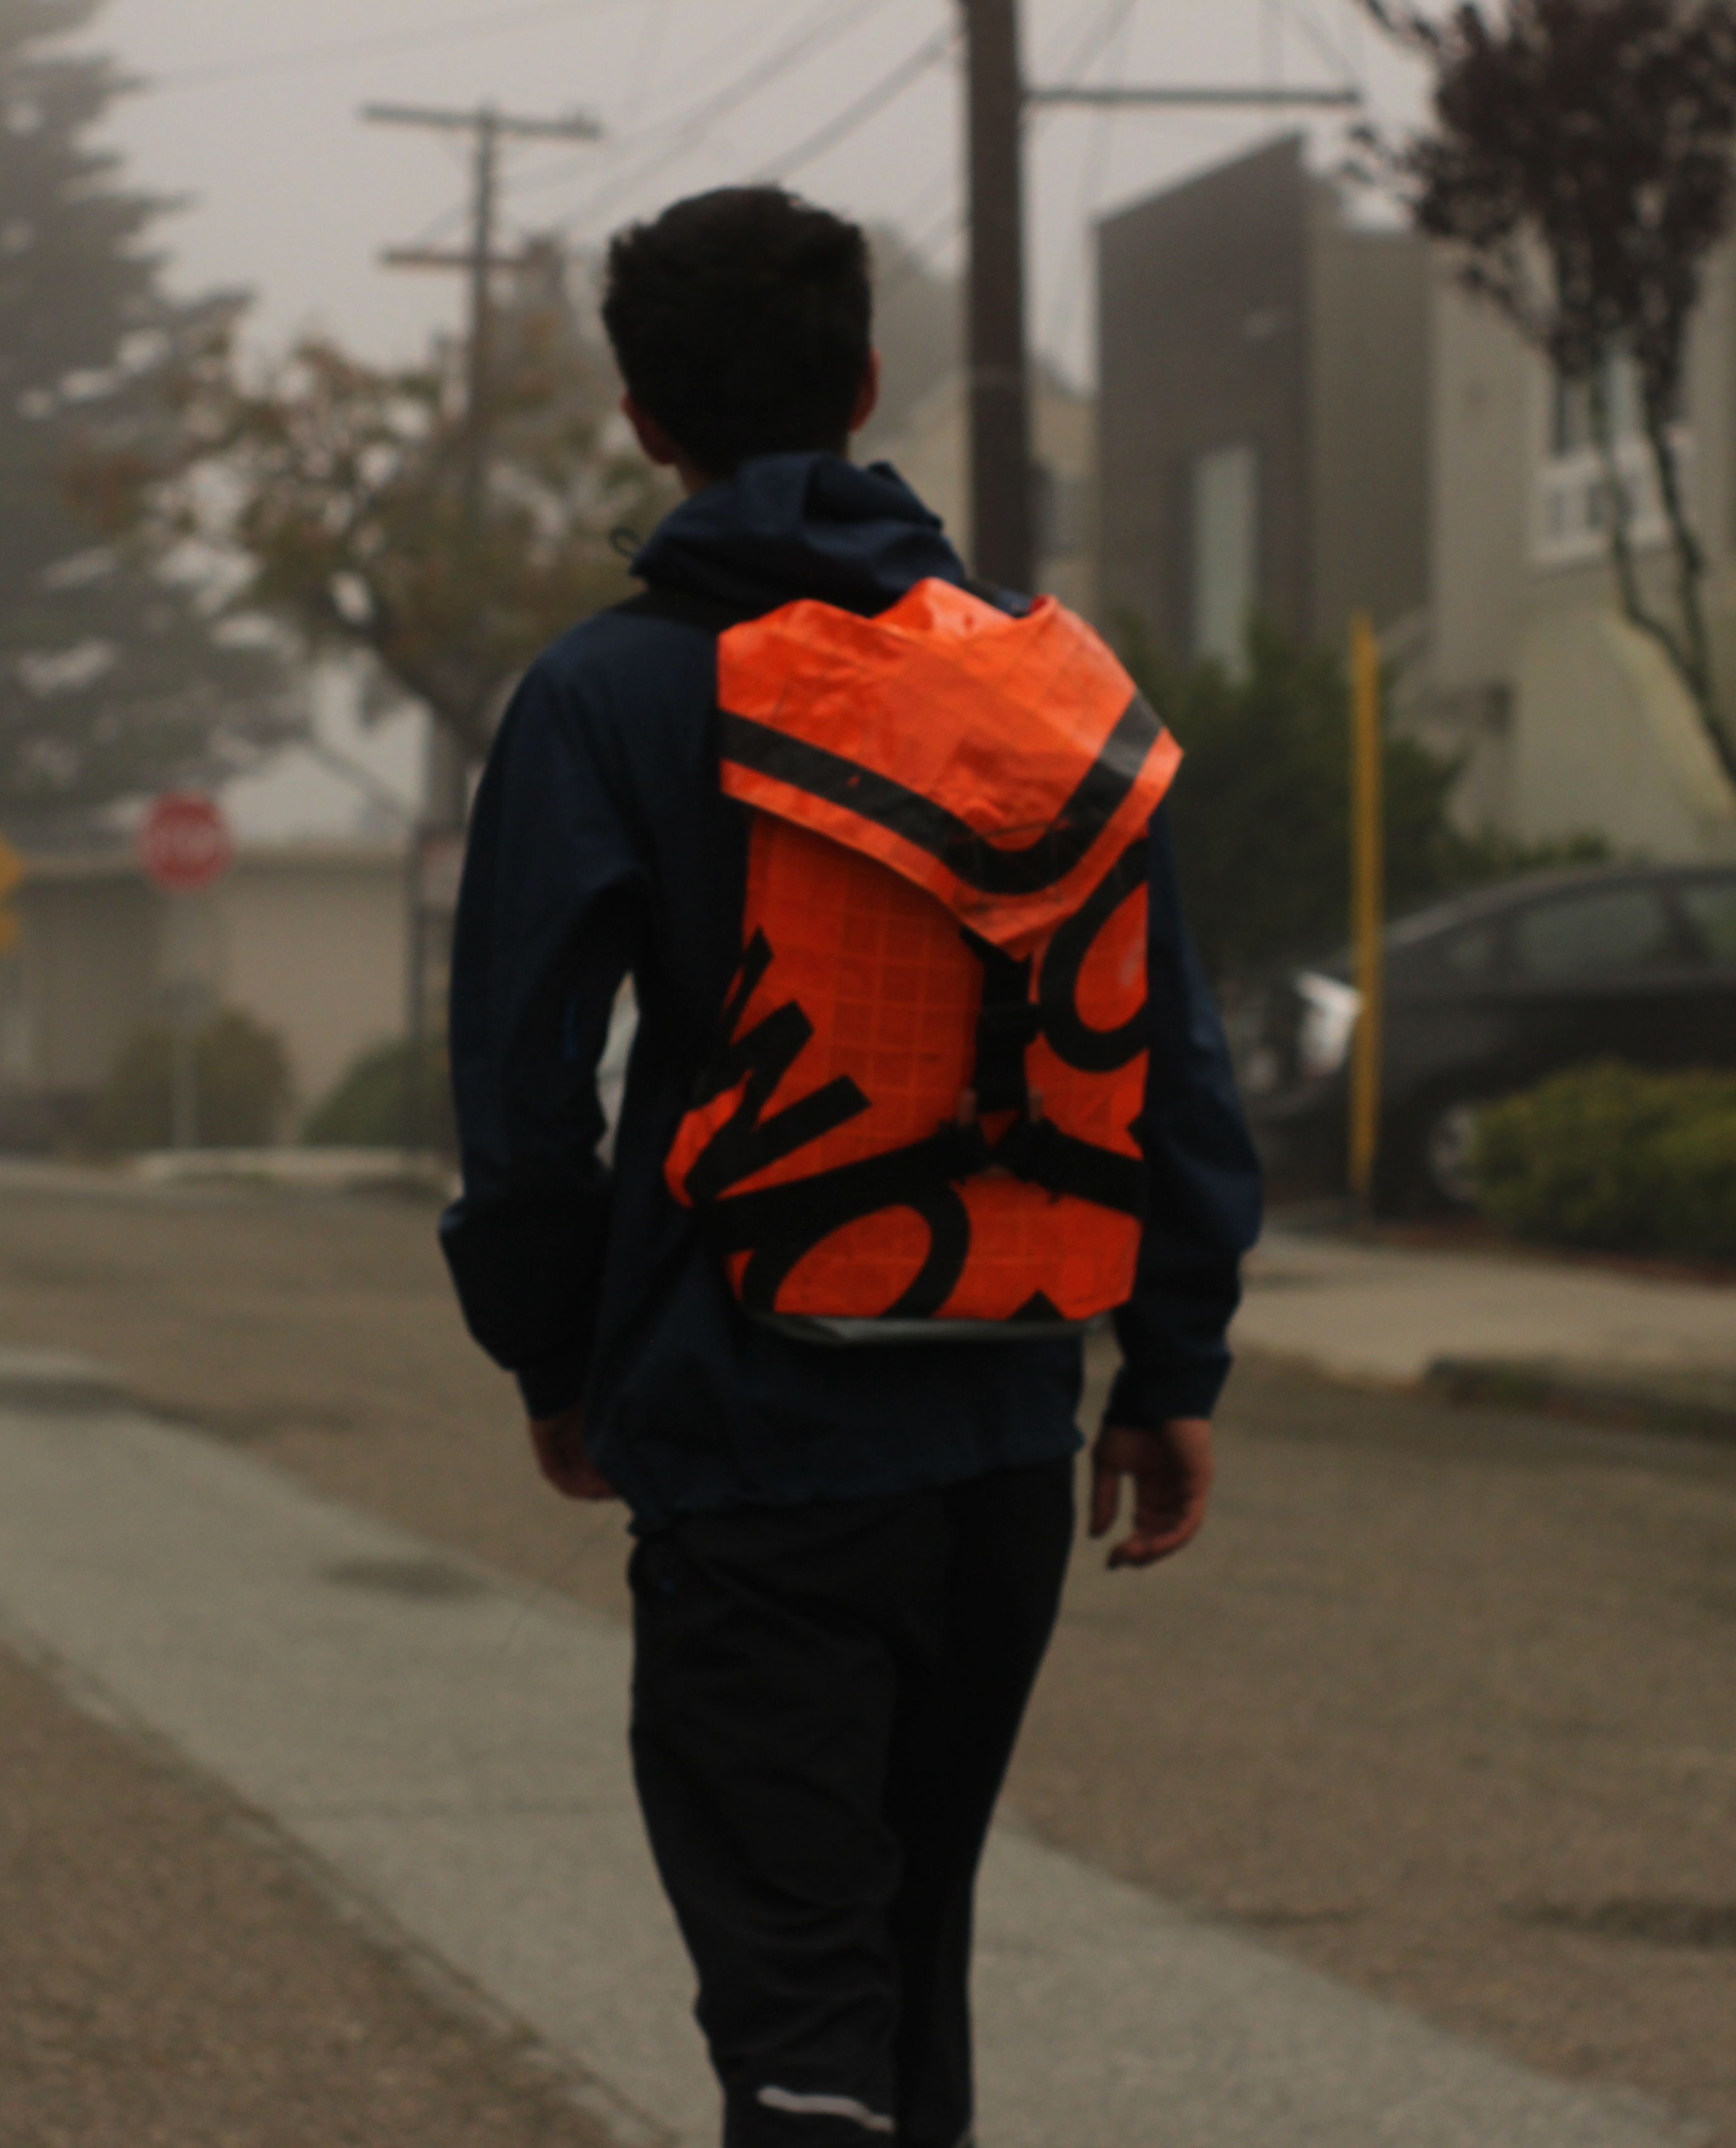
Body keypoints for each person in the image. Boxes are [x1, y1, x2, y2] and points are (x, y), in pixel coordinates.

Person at [438, 186, 1261, 2148]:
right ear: (869, 382)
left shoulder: (607, 698)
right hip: (993, 1424)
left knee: (803, 2010)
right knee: (912, 1958)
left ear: (645, 418)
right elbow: (1168, 1053)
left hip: (749, 1416)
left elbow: (528, 1096)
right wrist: (1169, 1369)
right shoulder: (1040, 687)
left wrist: (554, 1357)